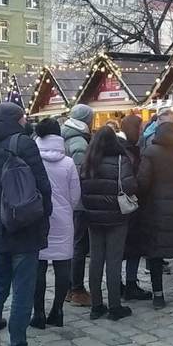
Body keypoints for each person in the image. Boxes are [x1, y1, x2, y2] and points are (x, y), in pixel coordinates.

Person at [0, 103, 52, 346]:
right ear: (17, 119)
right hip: (23, 226)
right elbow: (43, 185)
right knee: (22, 291)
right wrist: (45, 216)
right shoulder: (22, 143)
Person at [80, 126, 138, 320]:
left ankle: (96, 305)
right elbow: (130, 185)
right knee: (113, 260)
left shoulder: (88, 162)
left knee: (96, 260)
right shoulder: (121, 160)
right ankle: (115, 306)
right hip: (116, 216)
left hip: (92, 217)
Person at [137, 122, 173, 310]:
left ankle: (158, 296)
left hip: (156, 210)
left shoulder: (151, 152)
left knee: (155, 254)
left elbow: (143, 182)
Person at [32, 118, 80, 328]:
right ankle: (57, 310)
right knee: (63, 265)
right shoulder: (68, 163)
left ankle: (39, 313)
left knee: (38, 267)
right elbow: (75, 195)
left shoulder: (33, 160)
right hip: (62, 218)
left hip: (38, 218)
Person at [61, 103, 93, 307]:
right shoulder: (79, 142)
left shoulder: (65, 135)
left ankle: (67, 287)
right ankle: (76, 288)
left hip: (65, 200)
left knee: (71, 245)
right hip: (78, 202)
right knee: (79, 245)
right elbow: (82, 175)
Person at [120, 114, 152, 301]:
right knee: (131, 248)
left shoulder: (128, 148)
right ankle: (129, 284)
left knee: (128, 248)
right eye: (140, 128)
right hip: (130, 206)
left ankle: (125, 284)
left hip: (126, 206)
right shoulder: (129, 151)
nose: (142, 132)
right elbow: (133, 180)